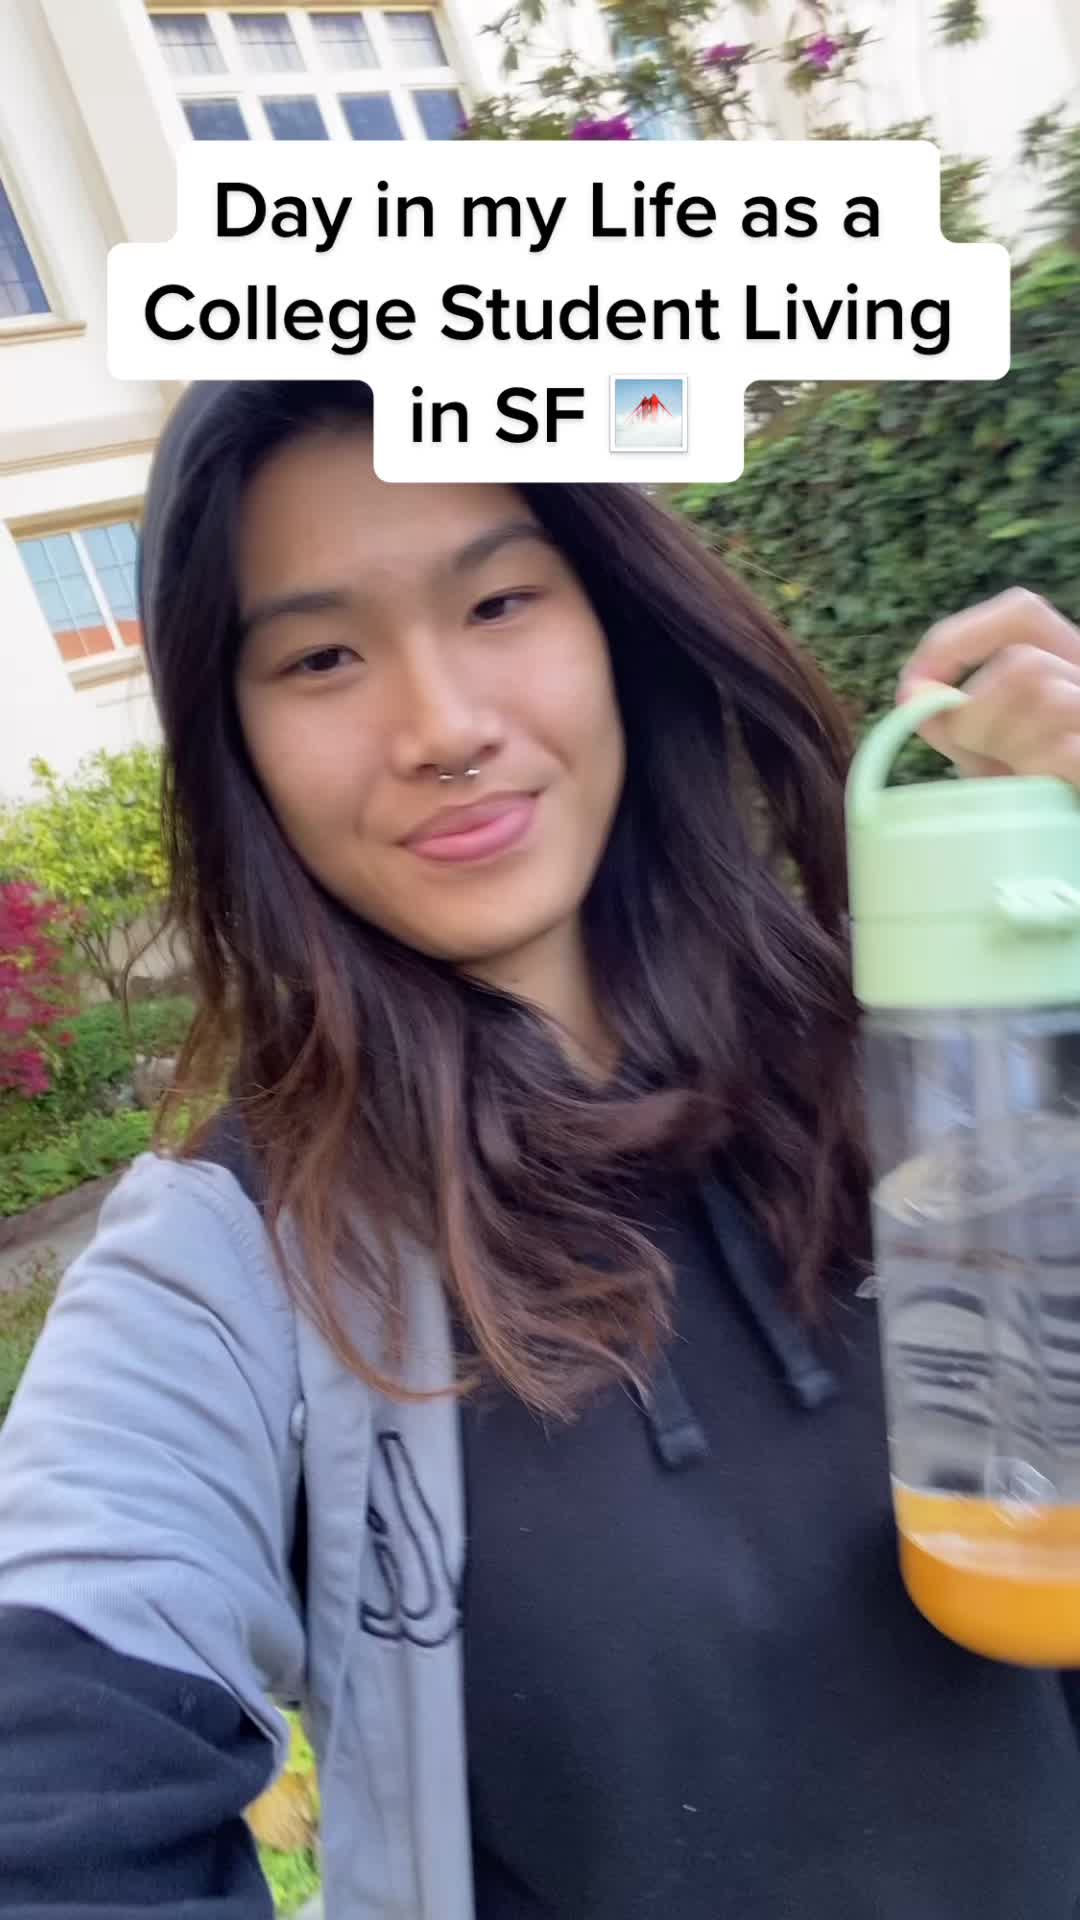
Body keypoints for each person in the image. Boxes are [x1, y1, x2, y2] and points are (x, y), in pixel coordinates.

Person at [2, 378, 1080, 1920]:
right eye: (320, 657)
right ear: (238, 745)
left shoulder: (924, 1052)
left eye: (500, 600)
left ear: (614, 617)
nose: (445, 726)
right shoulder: (225, 1262)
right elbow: (47, 1787)